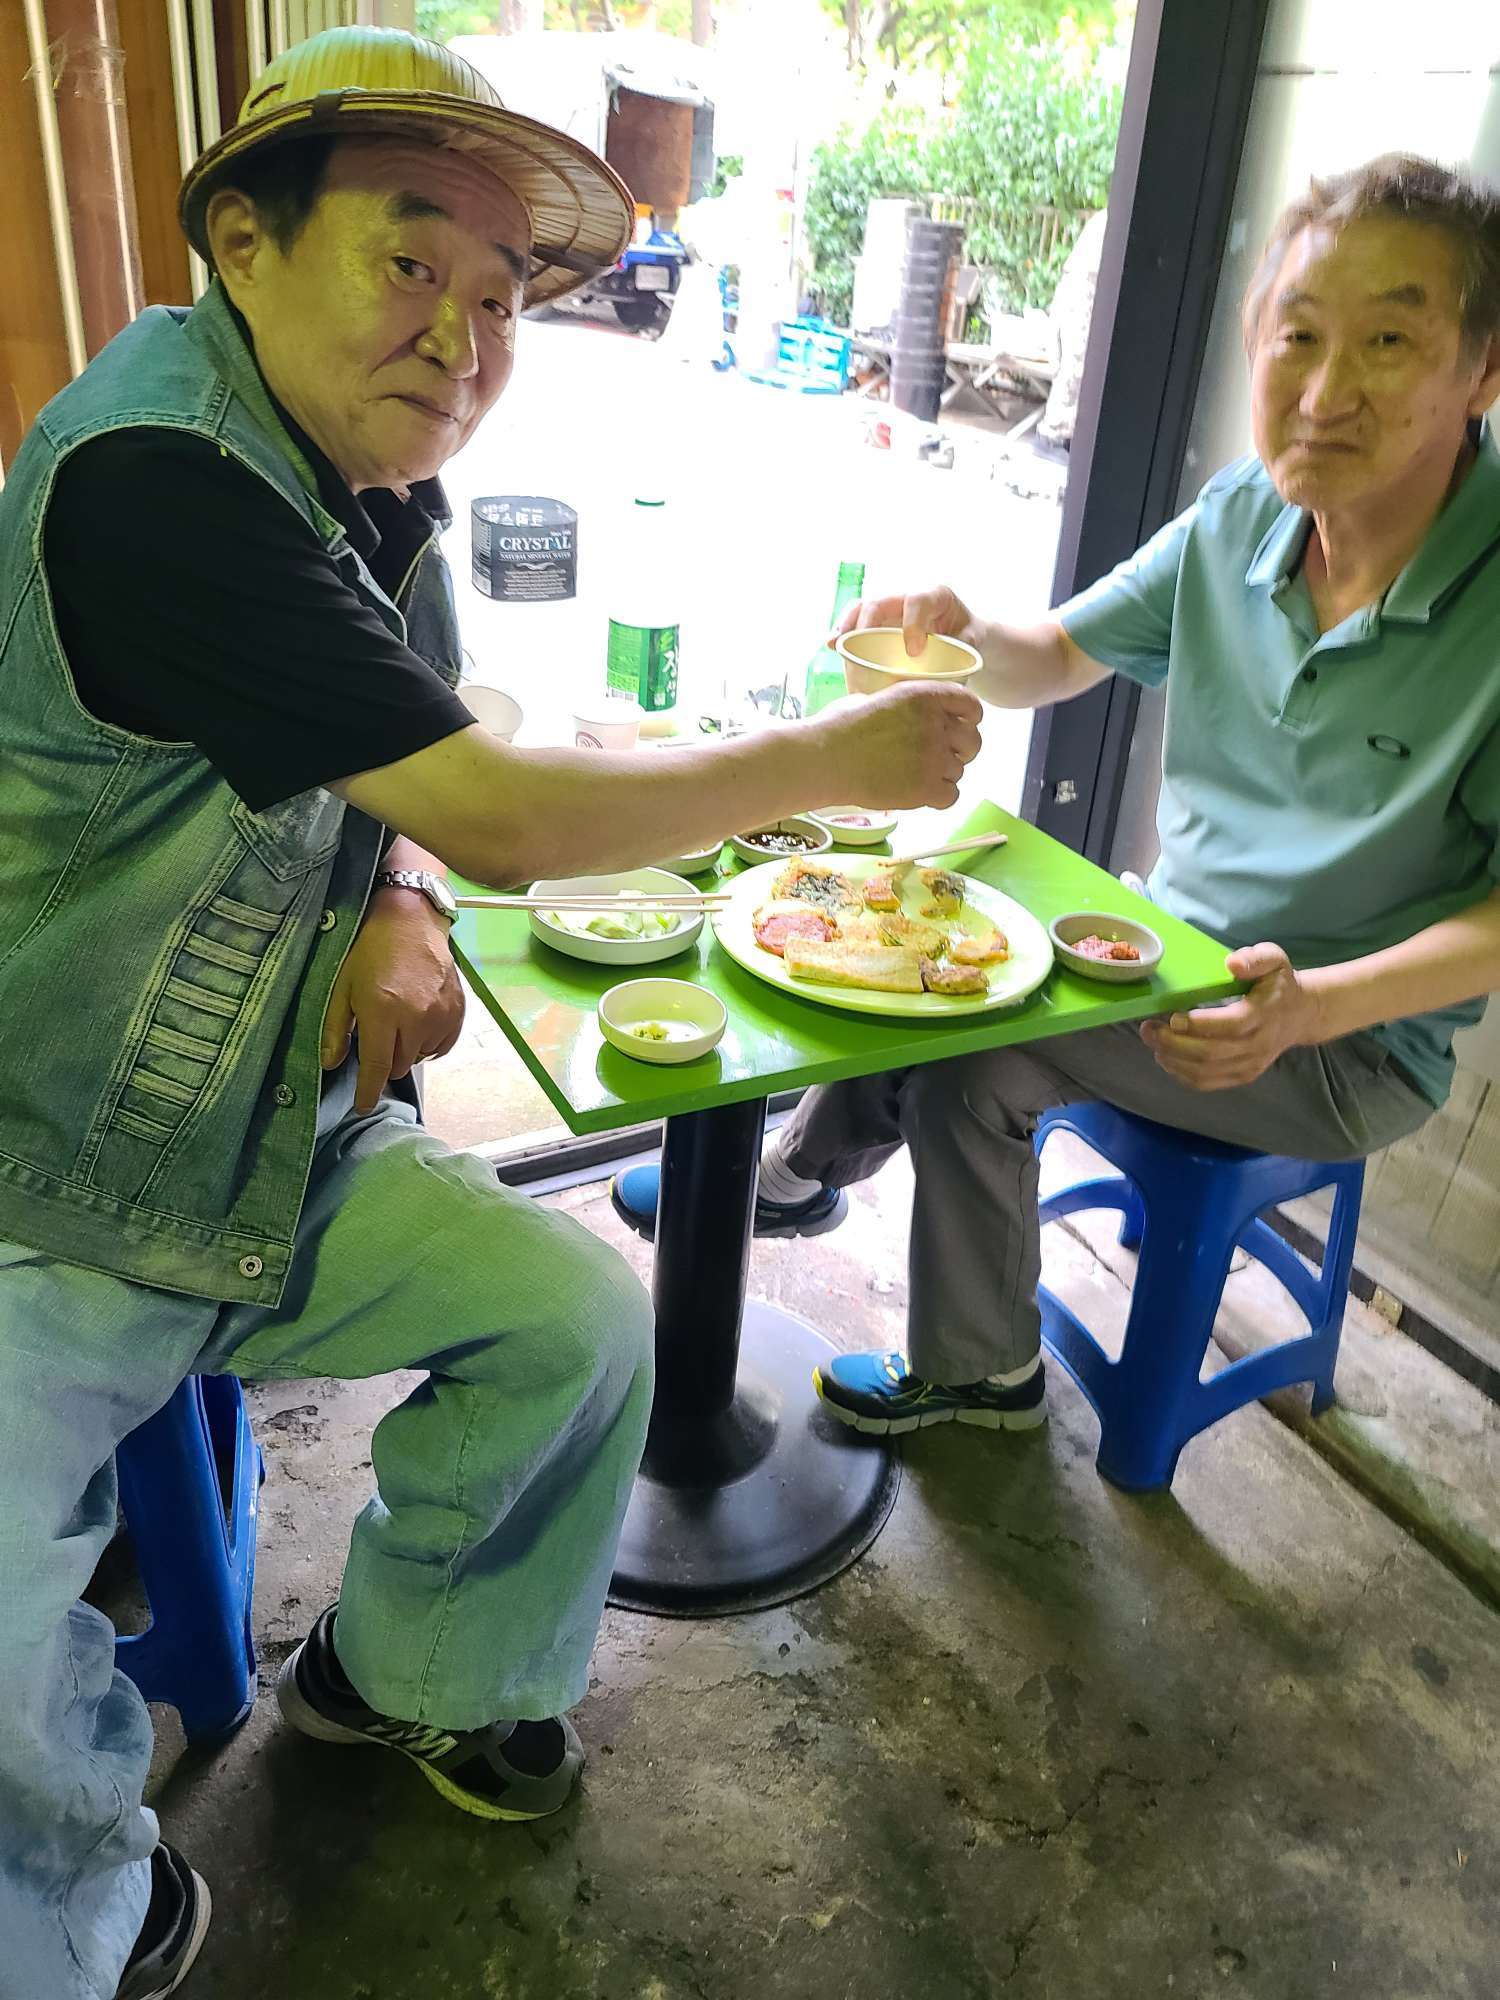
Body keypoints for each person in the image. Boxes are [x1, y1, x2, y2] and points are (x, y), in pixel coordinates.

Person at [0, 28, 982, 2000]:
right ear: (245, 242)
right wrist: (830, 757)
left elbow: (424, 777)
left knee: (580, 1324)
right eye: (408, 259)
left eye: (504, 295)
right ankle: (85, 1901)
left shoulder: (370, 494)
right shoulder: (157, 482)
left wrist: (401, 900)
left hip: (268, 1145)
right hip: (51, 1182)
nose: (462, 333)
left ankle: (404, 1671)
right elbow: (507, 805)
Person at [615, 153, 1500, 1437]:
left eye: (1389, 341)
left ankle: (965, 1356)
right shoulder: (1242, 515)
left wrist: (1314, 1007)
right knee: (922, 906)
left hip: (1343, 1035)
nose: (1323, 391)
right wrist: (957, 632)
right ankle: (814, 1185)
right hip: (1164, 945)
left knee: (968, 1038)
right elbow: (1060, 654)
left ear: (1483, 367)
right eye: (1299, 334)